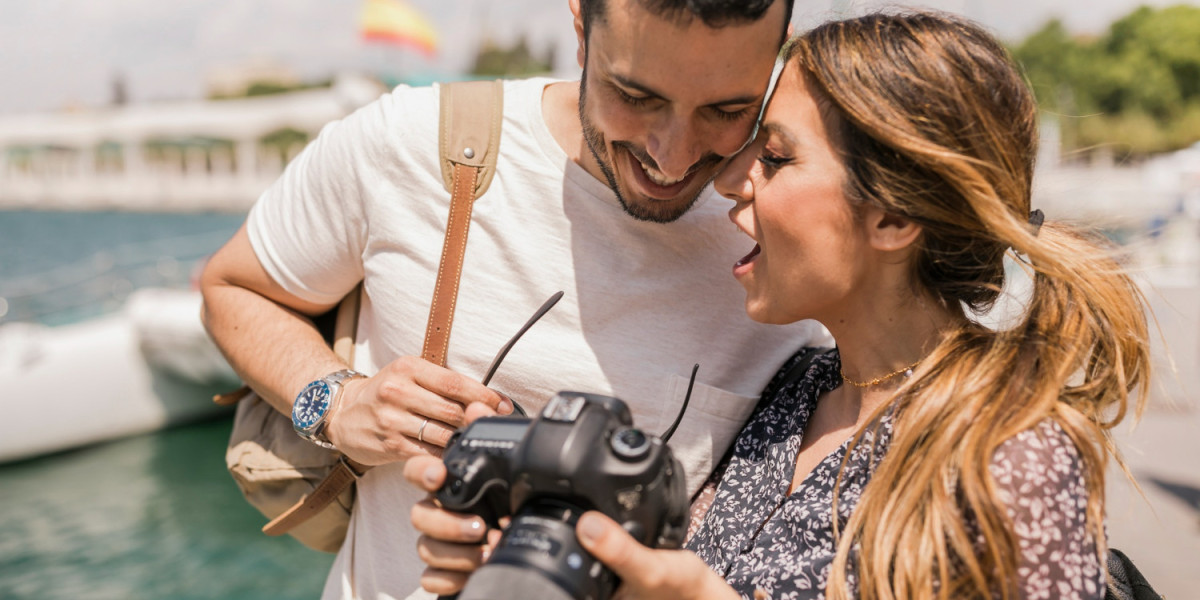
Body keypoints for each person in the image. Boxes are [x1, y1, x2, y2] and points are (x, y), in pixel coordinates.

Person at [406, 11, 1152, 599]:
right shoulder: (795, 395)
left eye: (776, 156)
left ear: (893, 217)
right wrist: (537, 563)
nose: (731, 180)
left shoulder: (1010, 455)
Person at [199, 0, 829, 598]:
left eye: (727, 110)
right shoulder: (409, 141)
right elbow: (232, 288)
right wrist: (336, 402)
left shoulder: (798, 236)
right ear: (581, 26)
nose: (674, 154)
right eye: (636, 97)